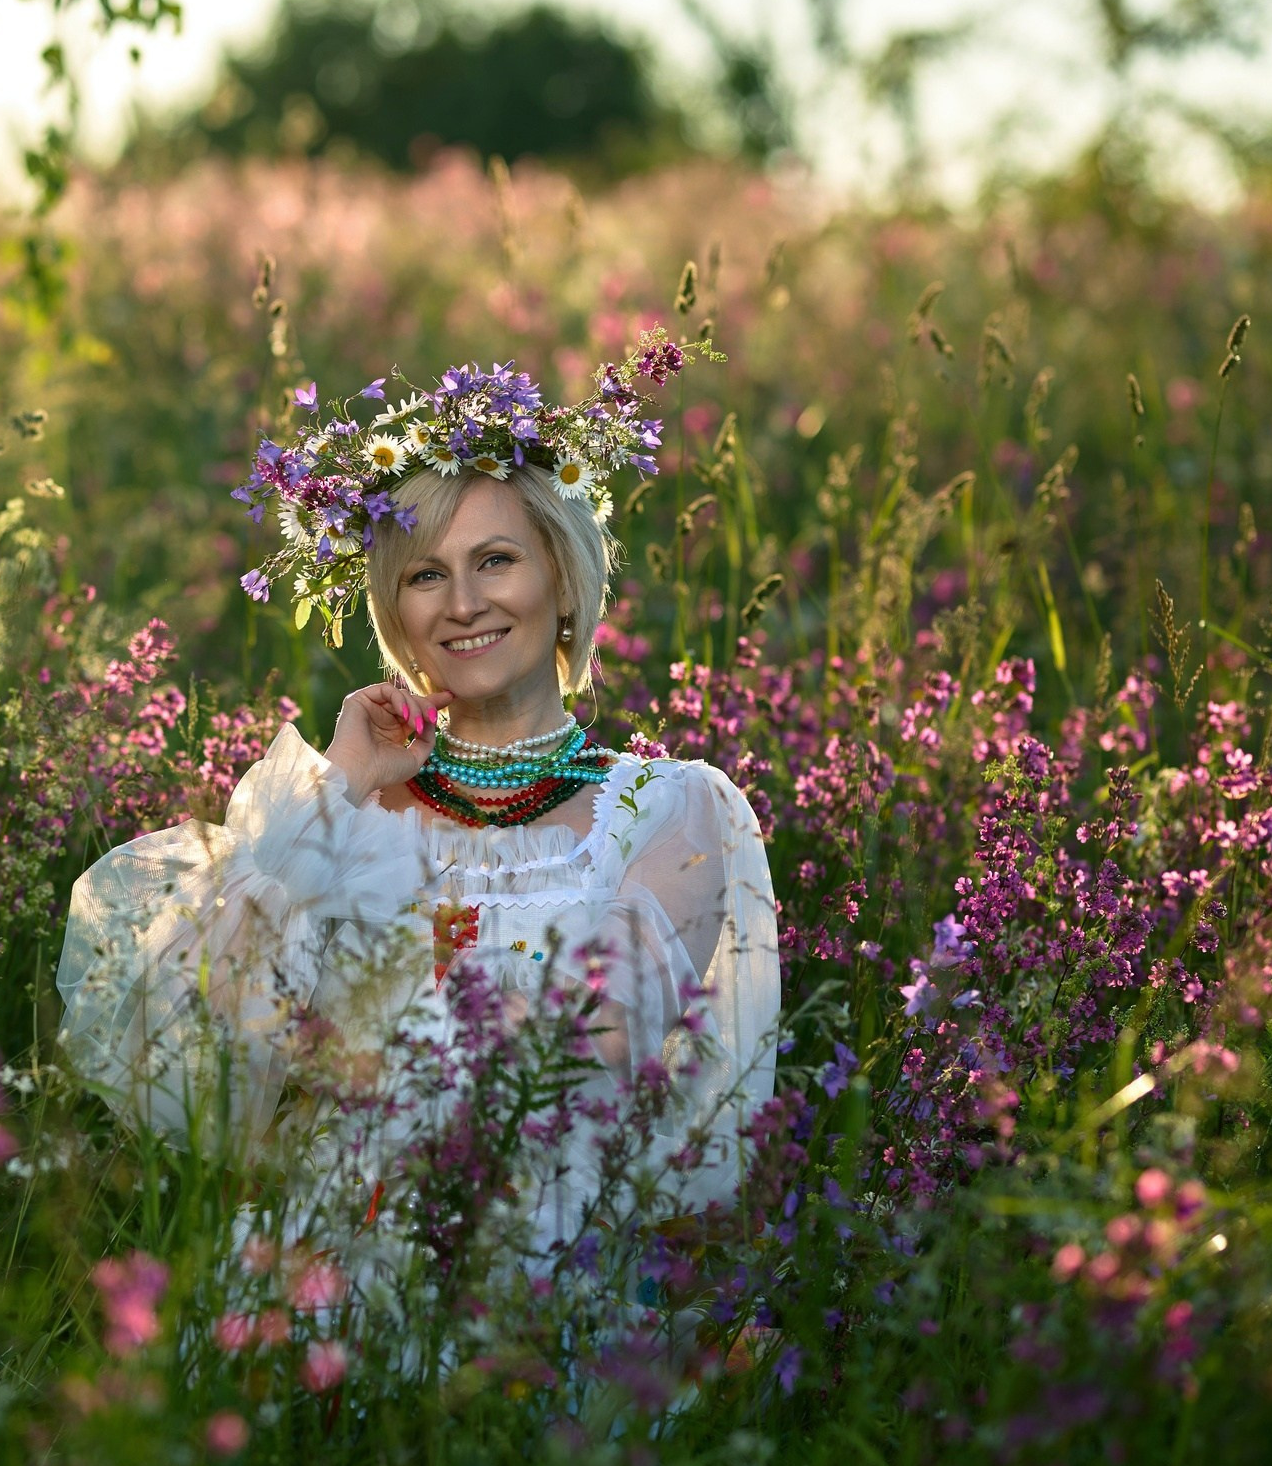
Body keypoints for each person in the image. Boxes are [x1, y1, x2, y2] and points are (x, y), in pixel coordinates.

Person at [56, 355, 778, 1265]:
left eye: (496, 560)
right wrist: (341, 785)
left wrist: (346, 1042)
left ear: (562, 578)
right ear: (393, 605)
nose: (465, 602)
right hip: (322, 1274)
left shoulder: (669, 811)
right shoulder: (344, 808)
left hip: (547, 1288)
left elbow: (594, 1049)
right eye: (426, 574)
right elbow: (191, 1041)